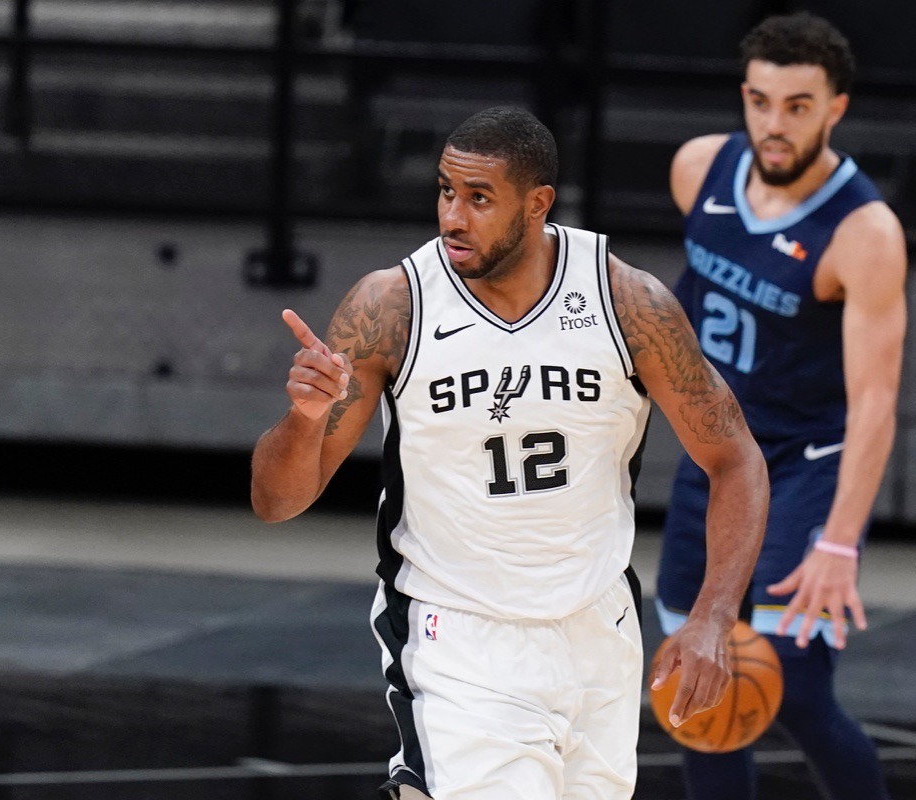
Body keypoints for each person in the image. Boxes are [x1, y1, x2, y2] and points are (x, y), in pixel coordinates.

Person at [251, 106, 770, 800]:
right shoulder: (392, 308)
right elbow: (276, 501)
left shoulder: (627, 303)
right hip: (458, 636)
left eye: (478, 198)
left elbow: (735, 459)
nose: (452, 217)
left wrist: (712, 615)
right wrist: (305, 418)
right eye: (444, 190)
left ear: (537, 205)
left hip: (598, 631)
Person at [655, 12, 907, 800]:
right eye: (761, 102)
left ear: (834, 108)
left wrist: (837, 542)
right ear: (744, 97)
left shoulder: (863, 232)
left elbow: (875, 400)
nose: (774, 123)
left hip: (807, 466)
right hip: (720, 456)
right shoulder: (697, 168)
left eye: (797, 105)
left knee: (791, 684)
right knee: (693, 681)